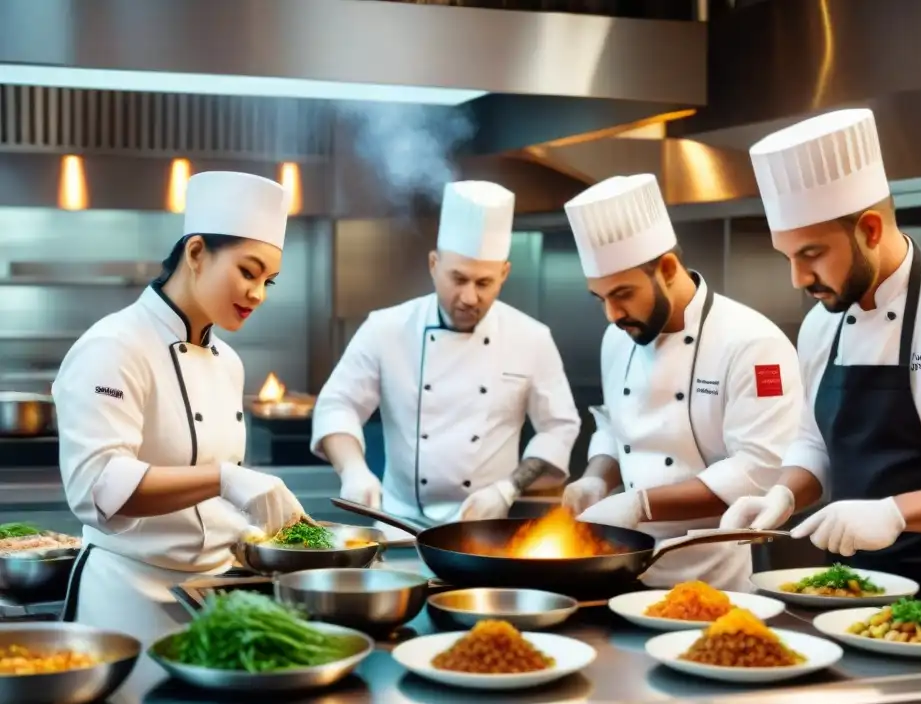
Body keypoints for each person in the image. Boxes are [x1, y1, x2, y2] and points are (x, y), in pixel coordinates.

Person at [721, 108, 921, 624]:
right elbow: (814, 441)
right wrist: (782, 494)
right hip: (848, 596)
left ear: (870, 229)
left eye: (812, 254)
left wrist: (894, 513)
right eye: (786, 256)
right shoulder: (821, 325)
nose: (798, 278)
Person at [54, 171, 306, 644]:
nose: (259, 294)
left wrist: (262, 528)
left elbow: (206, 506)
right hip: (126, 598)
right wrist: (227, 478)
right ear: (195, 253)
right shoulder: (114, 346)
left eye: (268, 280)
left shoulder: (228, 362)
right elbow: (97, 487)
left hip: (215, 597)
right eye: (248, 272)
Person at [559, 174, 803, 589]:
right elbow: (615, 428)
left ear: (668, 269)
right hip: (618, 567)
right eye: (601, 299)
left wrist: (640, 505)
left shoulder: (752, 342)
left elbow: (759, 470)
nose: (612, 315)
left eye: (622, 294)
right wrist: (597, 477)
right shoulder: (617, 339)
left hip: (710, 579)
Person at [311, 180, 580, 526]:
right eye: (458, 279)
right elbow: (338, 404)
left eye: (484, 283)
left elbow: (559, 427)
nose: (469, 297)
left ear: (504, 274)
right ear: (434, 265)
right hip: (398, 525)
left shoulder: (531, 338)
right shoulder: (387, 328)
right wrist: (353, 470)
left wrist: (507, 490)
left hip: (486, 527)